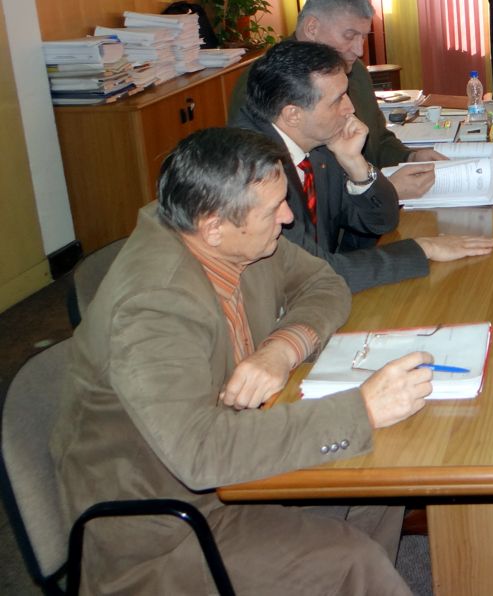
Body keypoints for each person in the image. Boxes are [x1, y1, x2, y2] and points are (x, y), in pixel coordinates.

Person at [52, 127, 435, 594]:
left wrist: (282, 348)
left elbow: (324, 282)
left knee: (378, 482)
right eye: (274, 209)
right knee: (351, 558)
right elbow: (201, 452)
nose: (288, 217)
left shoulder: (228, 235)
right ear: (213, 226)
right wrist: (362, 410)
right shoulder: (153, 308)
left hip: (231, 470)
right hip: (168, 528)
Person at [232, 39, 493, 293]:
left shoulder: (318, 143)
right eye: (338, 100)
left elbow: (381, 222)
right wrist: (423, 248)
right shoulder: (252, 172)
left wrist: (356, 164)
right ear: (293, 114)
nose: (350, 108)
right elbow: (314, 274)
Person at [228, 0, 437, 202]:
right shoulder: (264, 82)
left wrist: (409, 157)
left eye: (363, 37)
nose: (359, 50)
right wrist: (380, 190)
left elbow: (377, 139)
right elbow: (283, 192)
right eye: (349, 36)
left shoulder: (355, 71)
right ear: (312, 28)